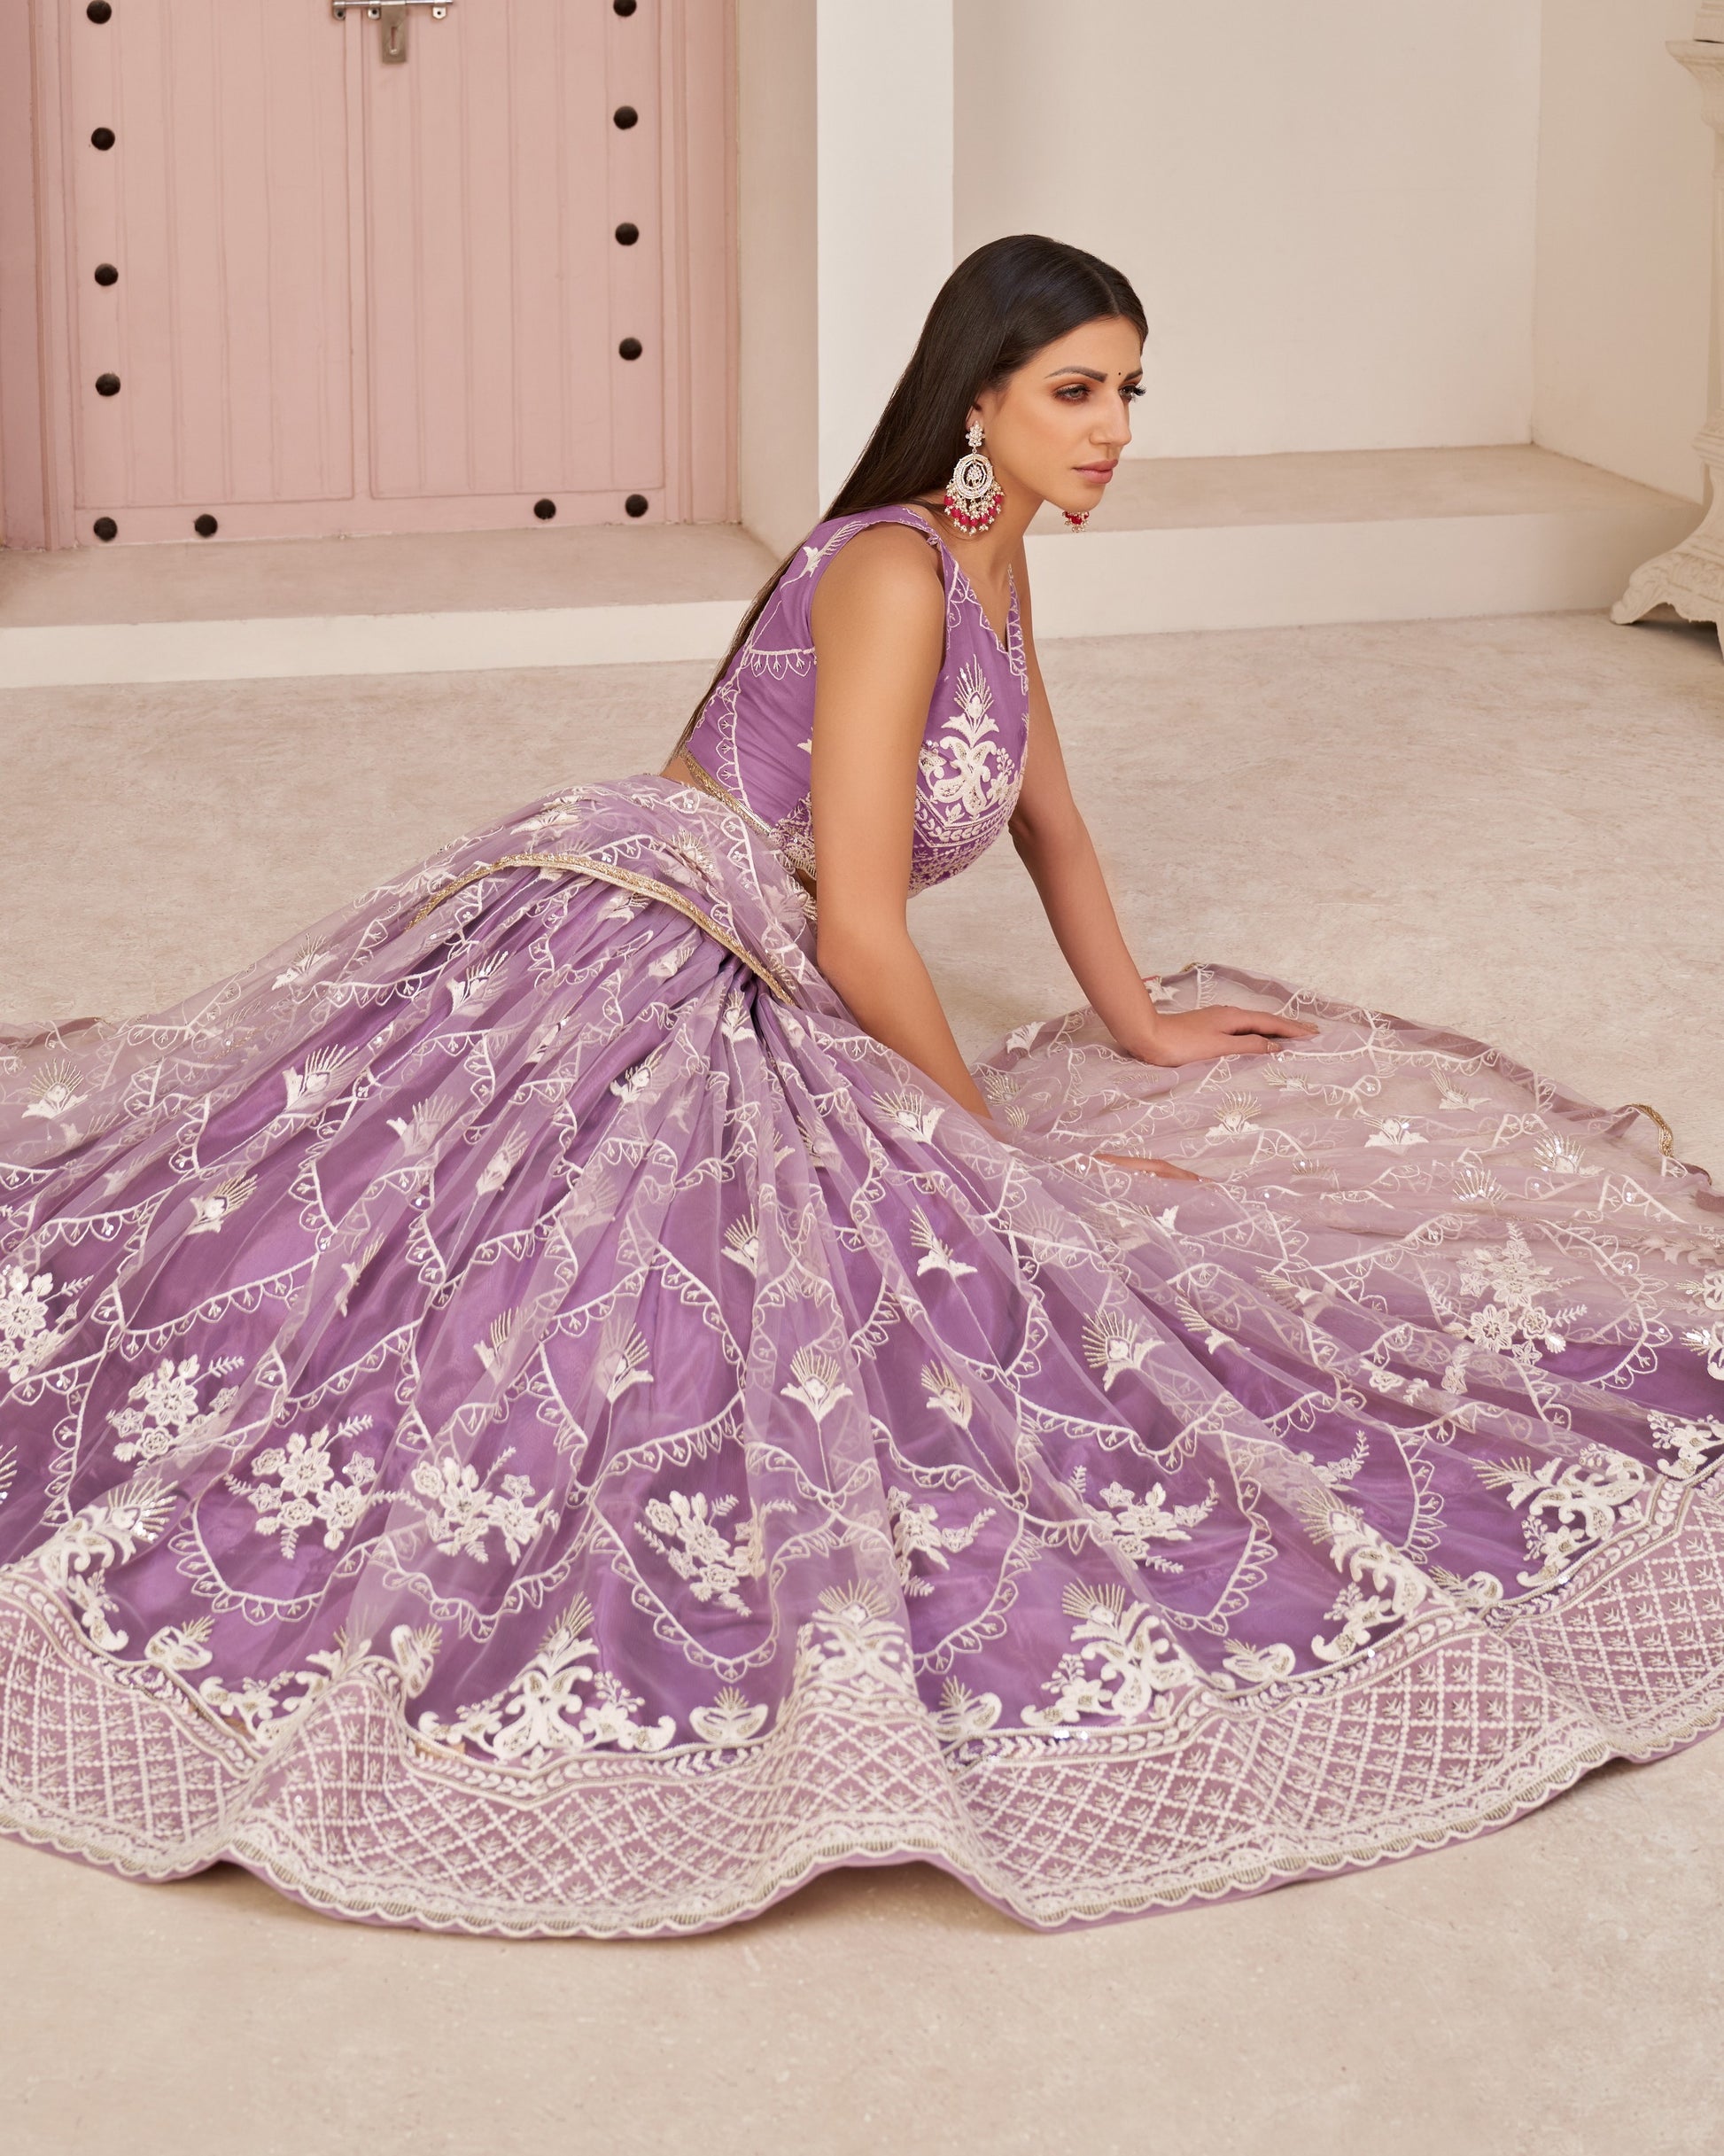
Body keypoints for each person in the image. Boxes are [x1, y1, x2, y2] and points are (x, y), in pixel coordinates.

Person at [2, 236, 1720, 1941]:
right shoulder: (892, 573)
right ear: (976, 399)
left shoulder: (995, 558)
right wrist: (986, 1157)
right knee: (578, 1294)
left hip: (780, 941)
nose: (1114, 426)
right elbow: (864, 925)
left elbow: (1049, 815)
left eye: (1129, 390)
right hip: (660, 936)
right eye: (1076, 390)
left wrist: (1137, 1019)